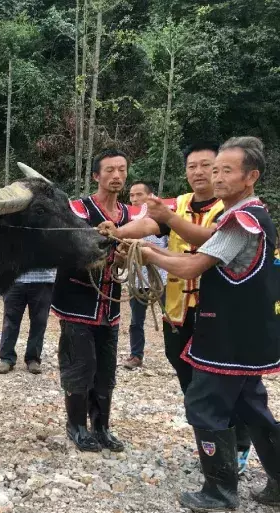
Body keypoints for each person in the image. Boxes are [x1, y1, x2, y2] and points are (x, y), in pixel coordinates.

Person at [139, 136, 279, 512]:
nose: (216, 178)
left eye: (225, 171)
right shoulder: (246, 215)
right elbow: (206, 240)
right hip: (250, 333)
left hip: (229, 337)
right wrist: (166, 226)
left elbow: (190, 266)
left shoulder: (242, 222)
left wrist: (149, 252)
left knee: (203, 403)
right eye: (215, 169)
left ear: (251, 176)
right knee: (251, 406)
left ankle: (219, 491)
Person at [99, 141, 253, 473]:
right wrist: (117, 233)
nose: (199, 173)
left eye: (208, 166)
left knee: (222, 383)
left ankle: (237, 447)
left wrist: (162, 226)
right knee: (190, 381)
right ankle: (212, 445)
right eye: (192, 166)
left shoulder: (231, 210)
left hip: (218, 315)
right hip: (178, 310)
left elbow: (207, 242)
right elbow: (148, 225)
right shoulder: (180, 203)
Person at [50, 148, 130, 452]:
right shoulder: (77, 211)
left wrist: (124, 255)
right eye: (109, 170)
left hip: (109, 306)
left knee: (106, 368)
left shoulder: (127, 216)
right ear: (96, 175)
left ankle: (102, 427)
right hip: (77, 301)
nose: (117, 176)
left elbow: (131, 254)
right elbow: (62, 247)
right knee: (79, 364)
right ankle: (76, 426)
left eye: (121, 170)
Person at [124, 182, 168, 370]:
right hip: (137, 278)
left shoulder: (164, 218)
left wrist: (149, 249)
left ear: (150, 196)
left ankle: (180, 353)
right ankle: (136, 355)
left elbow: (171, 245)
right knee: (136, 320)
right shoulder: (128, 219)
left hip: (162, 276)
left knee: (172, 316)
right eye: (132, 195)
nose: (134, 199)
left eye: (139, 194)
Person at [0, 268, 55, 374]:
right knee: (10, 320)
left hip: (43, 279)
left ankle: (33, 358)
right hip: (13, 279)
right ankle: (6, 358)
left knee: (39, 322)